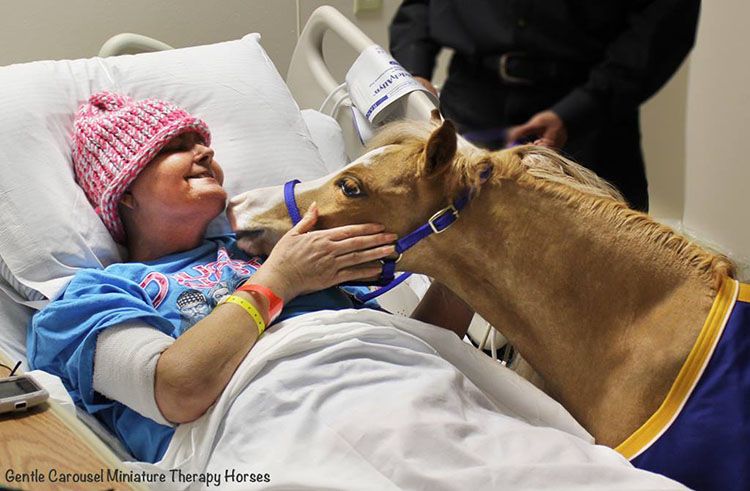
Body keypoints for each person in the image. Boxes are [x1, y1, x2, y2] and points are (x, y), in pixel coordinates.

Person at [27, 92, 473, 463]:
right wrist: (281, 281)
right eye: (174, 147)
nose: (204, 151)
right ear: (124, 192)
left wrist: (466, 263)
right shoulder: (91, 298)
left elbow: (416, 350)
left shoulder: (274, 248)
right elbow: (177, 388)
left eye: (202, 144)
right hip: (272, 442)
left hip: (415, 401)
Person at [389, 0, 701, 211]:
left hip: (588, 119)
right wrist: (413, 73)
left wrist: (578, 110)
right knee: (456, 263)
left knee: (594, 272)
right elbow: (418, 7)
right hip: (469, 106)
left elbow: (663, 24)